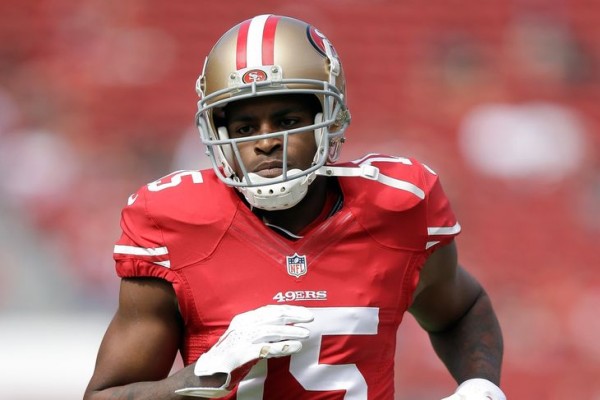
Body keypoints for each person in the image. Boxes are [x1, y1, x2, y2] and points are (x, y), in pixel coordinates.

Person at [84, 14, 505, 400]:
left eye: (287, 121)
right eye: (245, 127)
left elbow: (461, 310)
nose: (266, 142)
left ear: (329, 119)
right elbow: (103, 396)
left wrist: (479, 384)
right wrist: (200, 377)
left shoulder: (394, 205)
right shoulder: (173, 224)